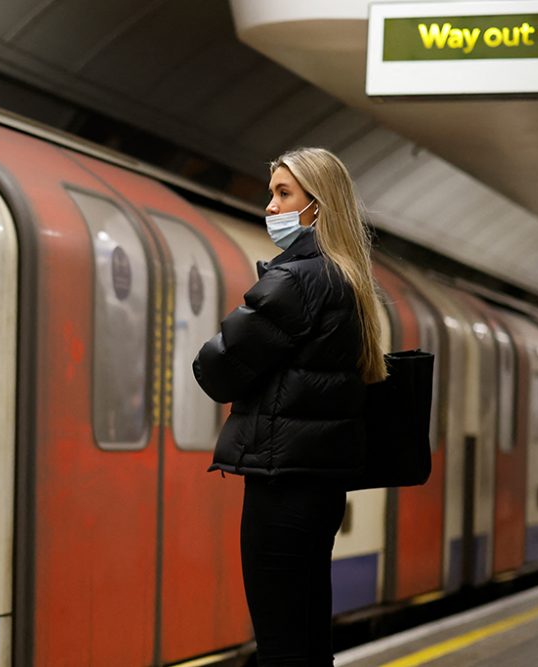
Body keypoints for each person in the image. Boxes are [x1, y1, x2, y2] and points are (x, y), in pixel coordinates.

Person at [192, 147, 387, 666]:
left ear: (317, 207)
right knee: (305, 637)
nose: (271, 207)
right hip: (319, 485)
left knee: (281, 641)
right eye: (271, 193)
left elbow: (215, 369)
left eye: (284, 194)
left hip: (282, 484)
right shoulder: (347, 279)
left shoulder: (297, 278)